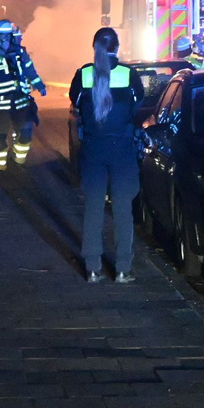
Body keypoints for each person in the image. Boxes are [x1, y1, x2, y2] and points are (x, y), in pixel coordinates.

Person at [70, 27, 145, 283]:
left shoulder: (83, 75)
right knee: (123, 208)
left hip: (93, 148)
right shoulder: (129, 75)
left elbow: (76, 103)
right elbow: (137, 104)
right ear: (117, 47)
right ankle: (123, 269)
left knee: (93, 207)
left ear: (95, 48)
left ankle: (92, 268)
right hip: (122, 150)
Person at [0, 18, 46, 172]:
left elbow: (30, 70)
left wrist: (39, 85)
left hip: (21, 102)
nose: (6, 39)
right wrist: (1, 52)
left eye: (8, 36)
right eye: (2, 36)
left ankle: (19, 162)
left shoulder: (20, 51)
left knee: (25, 135)